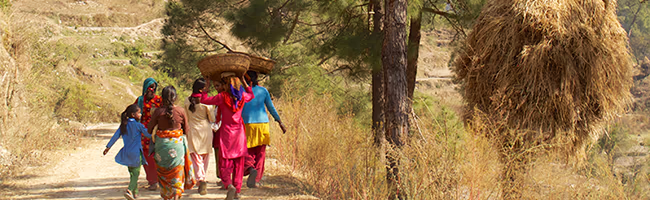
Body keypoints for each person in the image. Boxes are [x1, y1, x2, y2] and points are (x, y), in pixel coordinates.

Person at [200, 72, 254, 200]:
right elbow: (251, 95)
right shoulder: (242, 97)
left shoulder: (222, 97)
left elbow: (204, 100)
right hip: (239, 134)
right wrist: (244, 82)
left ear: (227, 86)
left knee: (225, 163)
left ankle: (229, 185)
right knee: (239, 164)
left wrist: (207, 86)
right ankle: (238, 191)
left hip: (227, 134)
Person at [148, 86, 195, 200]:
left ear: (162, 98)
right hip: (177, 146)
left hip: (161, 147)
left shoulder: (158, 112)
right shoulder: (181, 111)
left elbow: (149, 129)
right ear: (175, 97)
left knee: (163, 173)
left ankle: (166, 196)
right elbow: (187, 130)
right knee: (177, 172)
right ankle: (176, 195)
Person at [241, 71, 286, 188]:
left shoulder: (241, 91)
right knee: (261, 153)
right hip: (262, 124)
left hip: (247, 124)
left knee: (248, 151)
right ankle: (256, 180)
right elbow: (270, 107)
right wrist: (279, 121)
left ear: (248, 80)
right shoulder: (263, 91)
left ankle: (250, 168)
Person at [103, 104, 151, 200]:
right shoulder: (138, 126)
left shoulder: (123, 125)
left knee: (132, 173)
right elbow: (148, 135)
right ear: (133, 115)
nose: (141, 114)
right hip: (136, 153)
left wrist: (108, 147)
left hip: (127, 153)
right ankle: (129, 190)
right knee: (136, 173)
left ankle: (135, 191)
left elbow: (115, 136)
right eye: (139, 113)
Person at [184, 78, 216, 195]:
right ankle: (202, 178)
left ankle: (200, 179)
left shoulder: (187, 101)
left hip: (192, 130)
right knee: (205, 156)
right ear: (201, 89)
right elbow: (212, 118)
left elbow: (185, 117)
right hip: (205, 130)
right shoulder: (207, 102)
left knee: (195, 157)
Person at [134, 77, 162, 190]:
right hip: (144, 133)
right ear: (145, 88)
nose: (151, 90)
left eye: (153, 88)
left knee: (158, 156)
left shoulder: (160, 100)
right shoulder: (140, 100)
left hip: (157, 131)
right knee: (146, 156)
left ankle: (160, 179)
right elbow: (134, 114)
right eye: (149, 88)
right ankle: (152, 180)